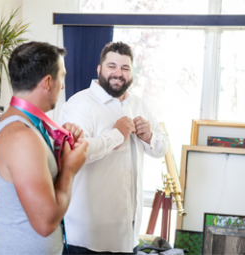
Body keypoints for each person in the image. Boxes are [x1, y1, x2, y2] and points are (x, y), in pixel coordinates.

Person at [58, 41, 169, 254]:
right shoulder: (79, 104)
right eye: (112, 66)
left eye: (125, 68)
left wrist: (149, 136)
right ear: (99, 69)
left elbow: (162, 147)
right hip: (88, 239)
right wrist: (116, 134)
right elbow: (75, 153)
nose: (118, 73)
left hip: (129, 234)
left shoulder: (139, 104)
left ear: (132, 74)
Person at [0, 41, 88, 255]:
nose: (63, 85)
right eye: (62, 76)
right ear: (48, 82)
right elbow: (45, 223)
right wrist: (70, 169)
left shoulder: (19, 124)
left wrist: (64, 145)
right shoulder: (22, 137)